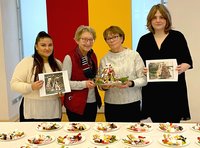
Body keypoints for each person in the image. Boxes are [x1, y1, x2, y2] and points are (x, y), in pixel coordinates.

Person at [136, 4, 193, 123]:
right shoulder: (144, 40)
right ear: (150, 20)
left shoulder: (177, 37)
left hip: (174, 92)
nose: (158, 20)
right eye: (154, 17)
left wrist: (183, 67)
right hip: (153, 92)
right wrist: (144, 70)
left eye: (161, 17)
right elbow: (139, 65)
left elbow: (188, 61)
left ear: (167, 19)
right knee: (157, 126)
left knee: (173, 128)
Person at [10, 31, 63, 122]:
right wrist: (31, 87)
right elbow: (14, 84)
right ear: (36, 46)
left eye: (50, 45)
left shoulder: (57, 63)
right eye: (43, 45)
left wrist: (61, 91)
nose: (47, 48)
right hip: (32, 112)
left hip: (53, 111)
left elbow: (60, 86)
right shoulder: (26, 62)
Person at [99, 25, 147, 122]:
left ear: (122, 38)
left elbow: (144, 80)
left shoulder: (134, 55)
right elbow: (100, 85)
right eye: (108, 38)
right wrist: (104, 86)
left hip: (132, 103)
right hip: (111, 104)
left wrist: (130, 83)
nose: (112, 40)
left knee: (133, 134)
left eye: (115, 37)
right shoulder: (104, 59)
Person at [62, 25, 102, 121]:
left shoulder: (92, 55)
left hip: (92, 102)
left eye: (91, 40)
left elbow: (93, 76)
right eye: (84, 39)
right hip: (76, 104)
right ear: (77, 40)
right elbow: (64, 83)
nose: (88, 43)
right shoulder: (69, 57)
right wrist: (84, 84)